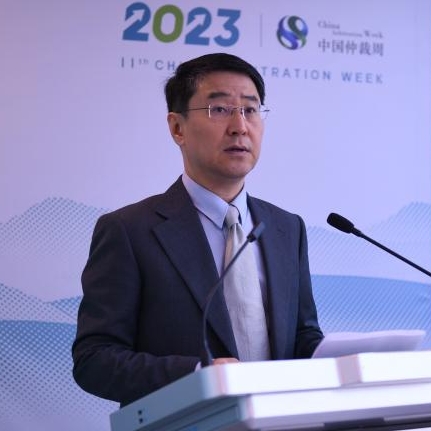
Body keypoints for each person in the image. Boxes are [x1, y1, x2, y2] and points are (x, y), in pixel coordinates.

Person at [72, 52, 324, 407]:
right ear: (177, 128)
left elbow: (301, 336)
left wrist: (346, 356)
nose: (240, 126)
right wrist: (197, 376)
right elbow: (94, 360)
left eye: (251, 110)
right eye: (219, 109)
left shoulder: (286, 228)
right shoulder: (129, 231)